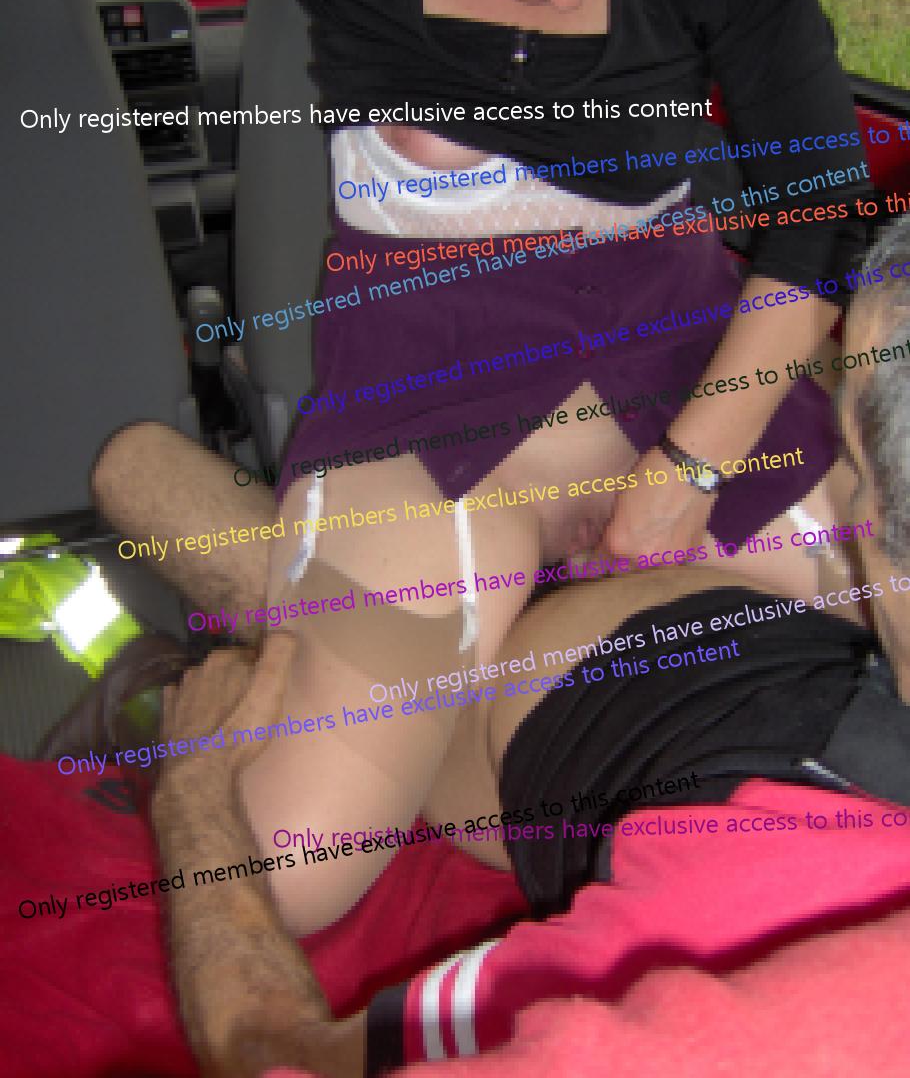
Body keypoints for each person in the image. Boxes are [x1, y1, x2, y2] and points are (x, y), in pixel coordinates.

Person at [149, 215, 910, 1077]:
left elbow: (263, 1050)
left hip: (541, 680)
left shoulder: (748, 974)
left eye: (853, 459)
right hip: (729, 566)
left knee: (290, 864)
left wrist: (193, 790)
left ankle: (139, 468)